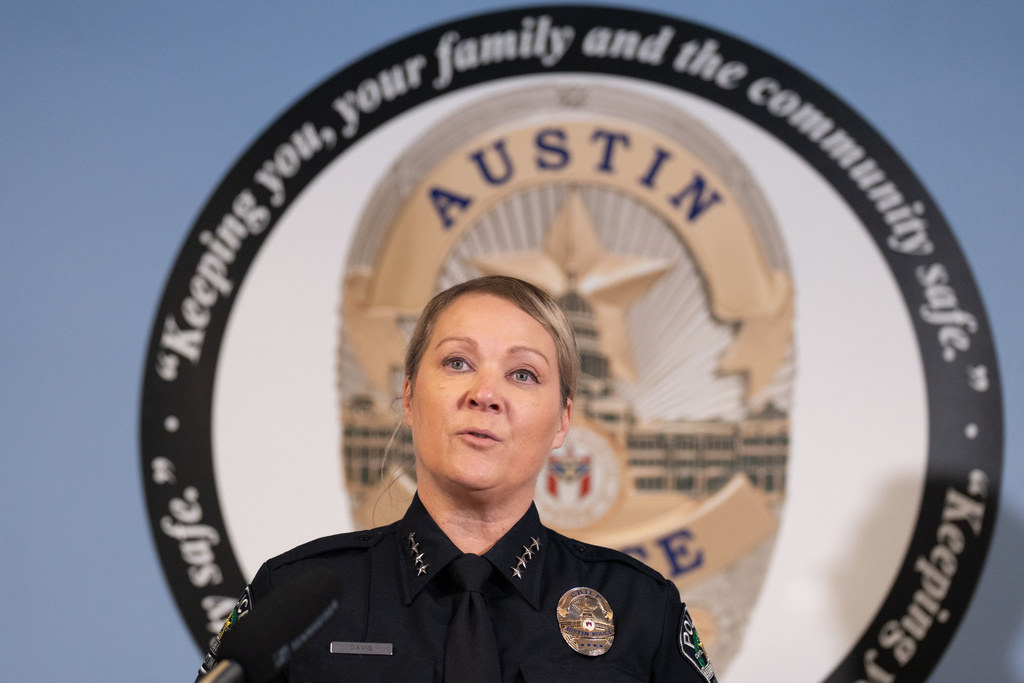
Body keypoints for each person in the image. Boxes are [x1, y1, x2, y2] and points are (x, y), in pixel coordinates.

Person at [197, 276, 717, 682]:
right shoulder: (290, 598)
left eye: (523, 374)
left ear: (563, 420)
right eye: (458, 362)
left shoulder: (641, 609)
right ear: (409, 395)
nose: (484, 394)